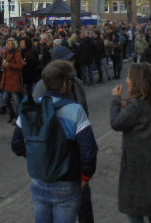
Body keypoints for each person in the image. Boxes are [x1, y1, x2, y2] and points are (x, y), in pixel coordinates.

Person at [12, 60, 98, 223]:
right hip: (66, 181)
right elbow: (89, 149)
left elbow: (16, 144)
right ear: (65, 84)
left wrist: (39, 155)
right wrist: (86, 176)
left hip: (39, 180)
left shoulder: (31, 108)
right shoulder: (75, 110)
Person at [110, 62, 151, 223]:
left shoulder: (137, 107)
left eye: (130, 77)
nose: (127, 80)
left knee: (135, 212)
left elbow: (116, 123)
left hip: (138, 166)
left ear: (138, 81)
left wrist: (116, 99)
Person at [1, 38, 25, 124]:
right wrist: (3, 65)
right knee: (5, 98)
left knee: (17, 100)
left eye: (11, 44)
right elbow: (4, 63)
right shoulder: (6, 53)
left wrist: (9, 65)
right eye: (8, 44)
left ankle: (18, 117)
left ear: (14, 44)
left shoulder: (17, 54)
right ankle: (12, 114)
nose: (9, 45)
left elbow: (20, 66)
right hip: (7, 78)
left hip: (14, 79)